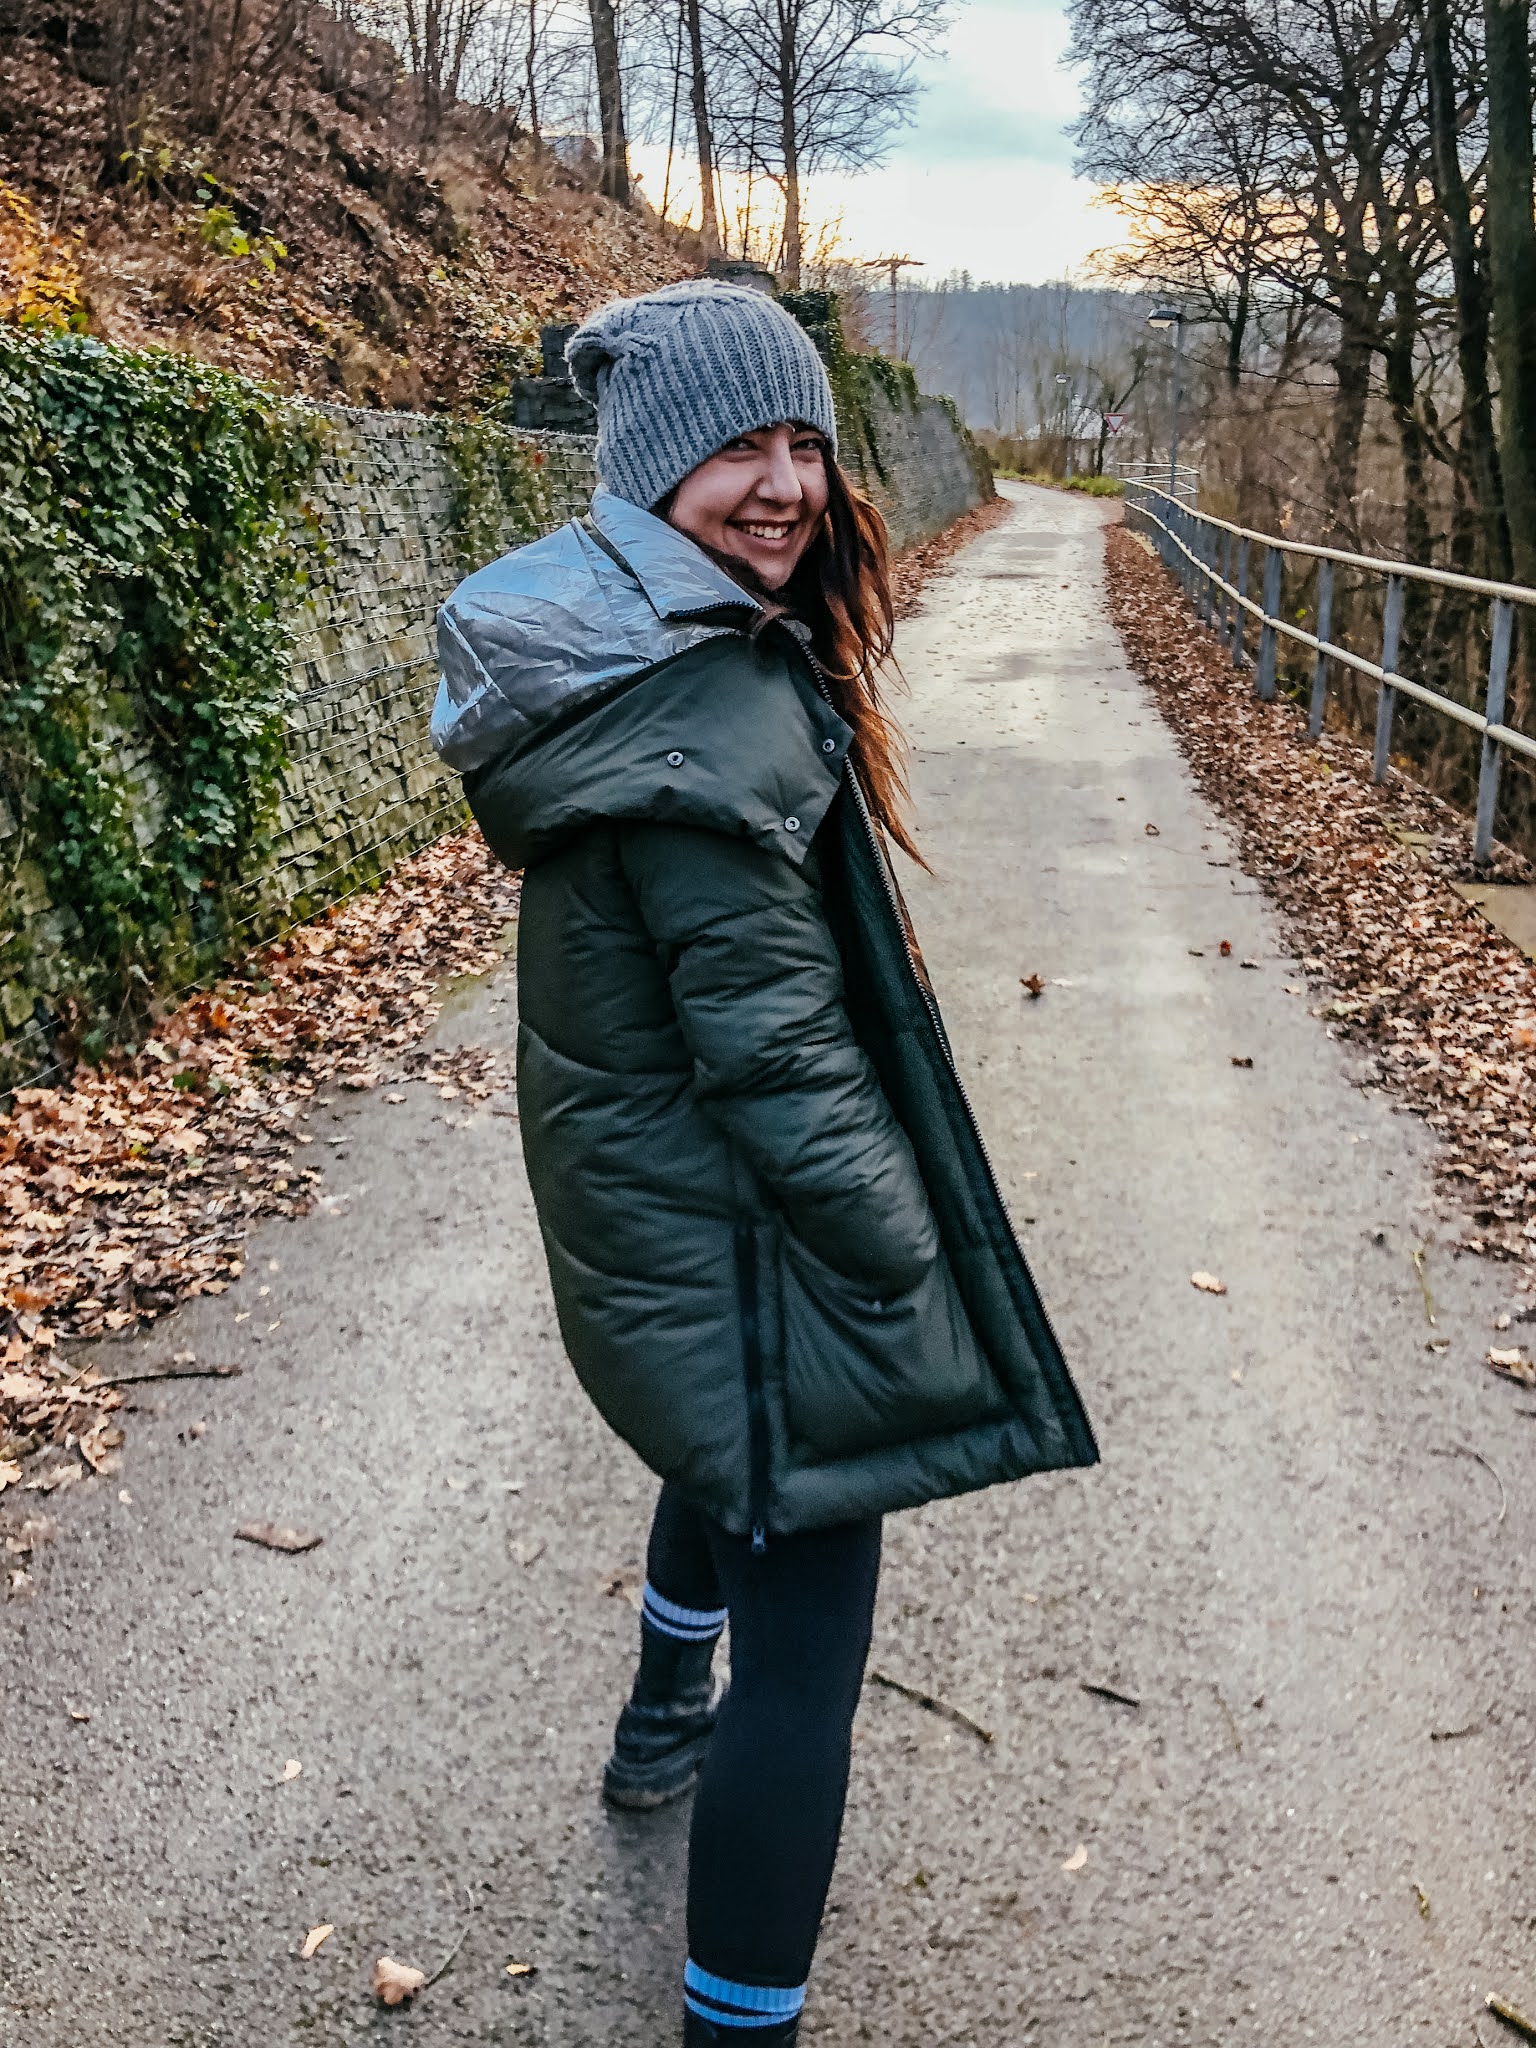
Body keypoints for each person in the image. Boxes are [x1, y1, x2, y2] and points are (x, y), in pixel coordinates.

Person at [431, 279, 1097, 2046]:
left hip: (672, 1218)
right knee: (805, 1672)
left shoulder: (639, 658)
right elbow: (782, 1061)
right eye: (741, 445)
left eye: (806, 438)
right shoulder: (702, 707)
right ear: (652, 471)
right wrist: (904, 1259)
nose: (789, 482)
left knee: (739, 1463)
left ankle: (660, 1717)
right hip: (733, 1224)